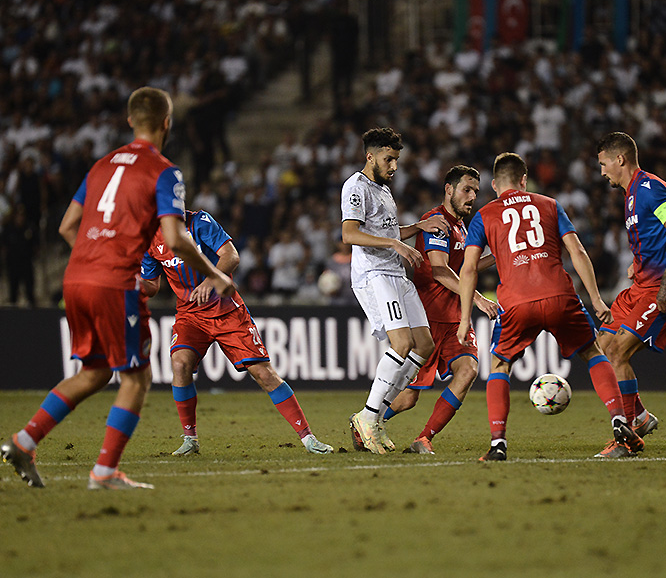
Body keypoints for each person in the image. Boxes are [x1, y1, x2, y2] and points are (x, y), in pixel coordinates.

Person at [1, 87, 234, 489]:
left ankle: (24, 441)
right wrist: (215, 274)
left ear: (129, 121)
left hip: (76, 278)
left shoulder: (101, 165)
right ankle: (105, 472)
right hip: (112, 283)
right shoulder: (165, 171)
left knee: (93, 372)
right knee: (136, 377)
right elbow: (176, 239)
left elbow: (66, 226)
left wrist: (94, 256)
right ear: (166, 123)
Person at [457, 152, 643, 461]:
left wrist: (465, 318)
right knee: (593, 352)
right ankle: (620, 421)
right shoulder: (550, 204)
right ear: (524, 180)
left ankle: (498, 444)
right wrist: (596, 299)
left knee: (500, 365)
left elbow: (469, 269)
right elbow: (577, 251)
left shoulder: (485, 215)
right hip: (560, 295)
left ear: (493, 184)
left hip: (517, 302)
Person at [139, 209, 333, 457]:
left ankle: (308, 438)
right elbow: (152, 286)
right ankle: (190, 439)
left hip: (226, 309)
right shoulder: (150, 239)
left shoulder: (199, 221)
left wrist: (210, 281)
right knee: (179, 363)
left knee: (263, 374)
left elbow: (231, 256)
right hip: (190, 314)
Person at [341, 127, 449, 454]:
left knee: (424, 344)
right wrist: (395, 244)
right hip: (374, 274)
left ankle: (373, 417)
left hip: (395, 273)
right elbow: (350, 233)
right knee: (401, 343)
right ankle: (369, 417)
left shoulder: (384, 190)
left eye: (397, 159)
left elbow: (386, 230)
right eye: (389, 159)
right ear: (370, 156)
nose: (394, 166)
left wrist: (416, 228)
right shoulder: (356, 187)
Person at [382, 165, 498, 454]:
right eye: (466, 190)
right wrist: (479, 299)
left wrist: (497, 255)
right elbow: (439, 271)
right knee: (408, 398)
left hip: (456, 318)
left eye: (475, 191)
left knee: (468, 370)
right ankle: (367, 420)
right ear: (449, 189)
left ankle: (424, 439)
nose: (472, 196)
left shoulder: (461, 227)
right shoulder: (435, 220)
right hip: (430, 318)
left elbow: (465, 268)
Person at [596, 132, 666, 457]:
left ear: (619, 159)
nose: (602, 171)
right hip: (642, 284)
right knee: (603, 346)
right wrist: (637, 265)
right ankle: (639, 416)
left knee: (619, 354)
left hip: (664, 287)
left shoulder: (651, 189)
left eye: (603, 164)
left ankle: (627, 436)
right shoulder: (630, 194)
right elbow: (655, 241)